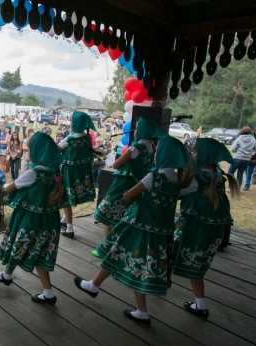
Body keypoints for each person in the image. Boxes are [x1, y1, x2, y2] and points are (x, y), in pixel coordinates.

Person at [74, 135, 192, 327]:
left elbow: (129, 195)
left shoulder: (154, 176)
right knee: (124, 257)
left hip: (139, 228)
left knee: (131, 262)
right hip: (161, 234)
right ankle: (94, 285)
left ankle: (141, 311)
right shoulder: (177, 180)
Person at [0, 132, 66, 305]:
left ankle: (7, 275)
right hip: (50, 223)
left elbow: (8, 188)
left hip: (29, 221)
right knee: (40, 254)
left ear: (37, 151)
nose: (27, 151)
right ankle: (48, 293)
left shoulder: (33, 173)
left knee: (18, 245)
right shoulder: (56, 174)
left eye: (29, 148)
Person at [173, 138, 239, 320]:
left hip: (194, 229)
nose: (192, 155)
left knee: (171, 251)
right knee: (197, 265)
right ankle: (200, 303)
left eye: (194, 152)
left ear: (202, 155)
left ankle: (157, 283)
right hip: (213, 232)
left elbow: (176, 193)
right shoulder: (218, 177)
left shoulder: (196, 178)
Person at [92, 118, 163, 258]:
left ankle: (105, 249)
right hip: (137, 185)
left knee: (109, 213)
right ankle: (118, 247)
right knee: (124, 216)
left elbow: (117, 164)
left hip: (123, 185)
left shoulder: (135, 147)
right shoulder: (152, 147)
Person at [59, 112, 97, 238]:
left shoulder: (69, 139)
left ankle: (69, 228)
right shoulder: (87, 138)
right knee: (73, 196)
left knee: (66, 199)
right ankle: (64, 219)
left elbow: (58, 148)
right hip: (83, 173)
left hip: (69, 172)